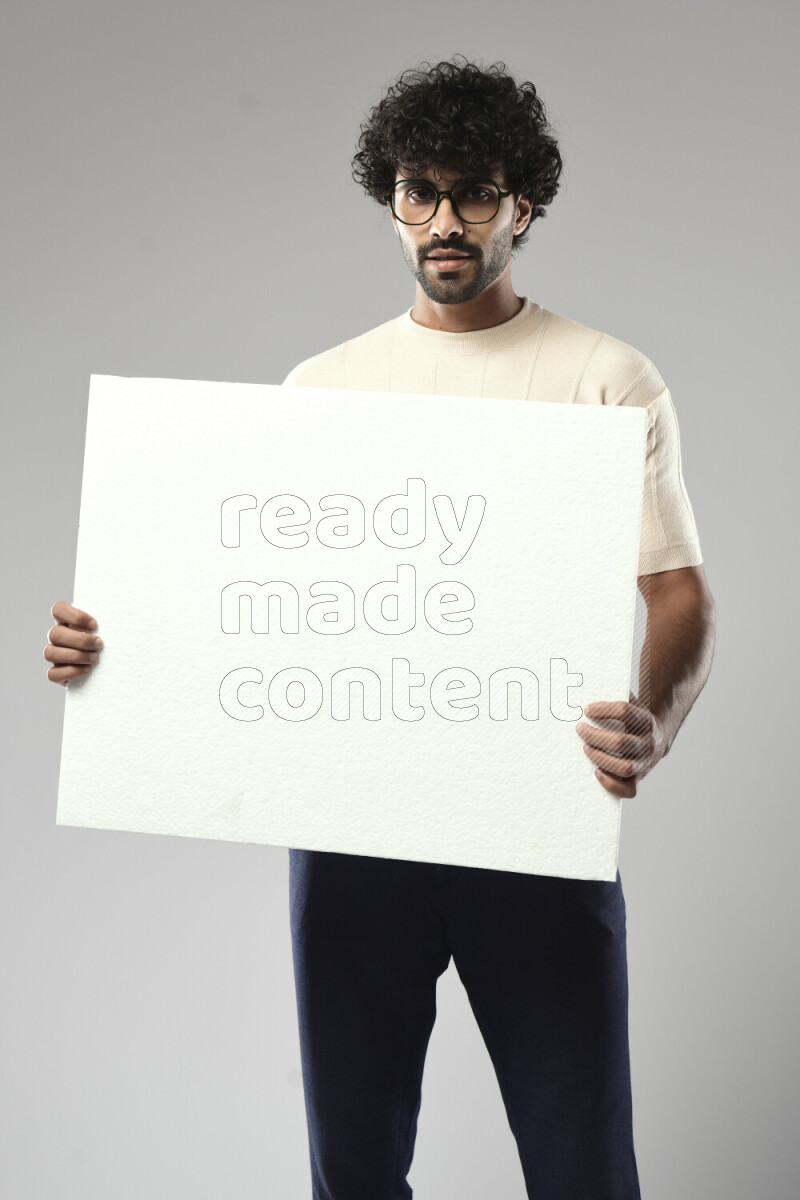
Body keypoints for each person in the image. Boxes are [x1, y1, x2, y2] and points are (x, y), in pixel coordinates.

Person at [45, 56, 716, 1200]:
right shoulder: (323, 388)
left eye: (472, 194)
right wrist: (110, 655)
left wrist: (649, 722)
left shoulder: (605, 377)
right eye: (418, 192)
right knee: (351, 1173)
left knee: (581, 1168)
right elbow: (253, 609)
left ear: (523, 207)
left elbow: (678, 597)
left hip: (532, 832)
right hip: (353, 834)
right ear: (389, 201)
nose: (443, 221)